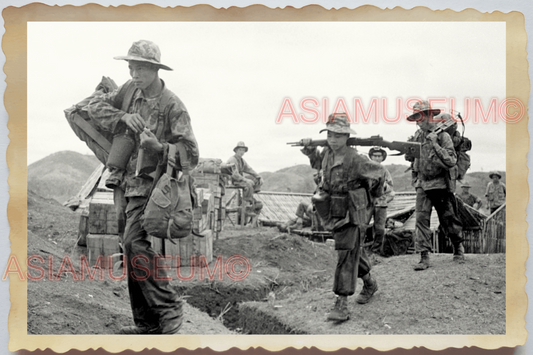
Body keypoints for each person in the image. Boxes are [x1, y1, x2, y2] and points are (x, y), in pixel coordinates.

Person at [87, 40, 199, 334]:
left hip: (155, 188)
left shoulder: (173, 106)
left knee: (135, 243)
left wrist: (159, 147)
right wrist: (122, 116)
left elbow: (191, 154)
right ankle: (147, 324)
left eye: (139, 68)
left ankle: (169, 305)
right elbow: (93, 105)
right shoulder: (128, 91)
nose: (133, 73)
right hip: (126, 184)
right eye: (130, 67)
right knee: (129, 246)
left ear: (154, 69)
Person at [301, 113, 385, 322]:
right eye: (330, 134)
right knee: (351, 250)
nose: (333, 139)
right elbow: (317, 165)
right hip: (333, 209)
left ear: (347, 136)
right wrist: (310, 149)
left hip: (353, 211)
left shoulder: (356, 159)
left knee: (345, 254)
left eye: (338, 135)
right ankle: (369, 282)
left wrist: (368, 197)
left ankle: (342, 303)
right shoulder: (327, 154)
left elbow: (379, 174)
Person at [407, 100, 465, 270]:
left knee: (448, 218)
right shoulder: (418, 136)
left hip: (439, 184)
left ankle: (458, 248)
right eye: (415, 117)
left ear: (429, 116)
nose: (418, 121)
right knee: (421, 219)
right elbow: (412, 159)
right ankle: (424, 256)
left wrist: (434, 144)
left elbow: (451, 160)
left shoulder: (443, 136)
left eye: (420, 116)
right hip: (422, 184)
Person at [367, 147, 394, 255]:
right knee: (362, 226)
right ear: (371, 157)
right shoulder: (366, 169)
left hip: (381, 203)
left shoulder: (384, 171)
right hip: (368, 202)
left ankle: (376, 252)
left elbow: (391, 187)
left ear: (382, 158)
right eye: (375, 156)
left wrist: (382, 185)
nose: (377, 158)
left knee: (380, 229)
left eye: (379, 156)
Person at [227, 142, 263, 206]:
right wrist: (246, 180)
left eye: (243, 150)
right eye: (240, 150)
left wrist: (258, 177)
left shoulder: (242, 161)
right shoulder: (233, 159)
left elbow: (249, 169)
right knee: (248, 183)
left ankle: (250, 196)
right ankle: (246, 202)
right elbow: (235, 175)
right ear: (236, 150)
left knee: (255, 179)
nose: (242, 152)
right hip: (232, 180)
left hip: (239, 179)